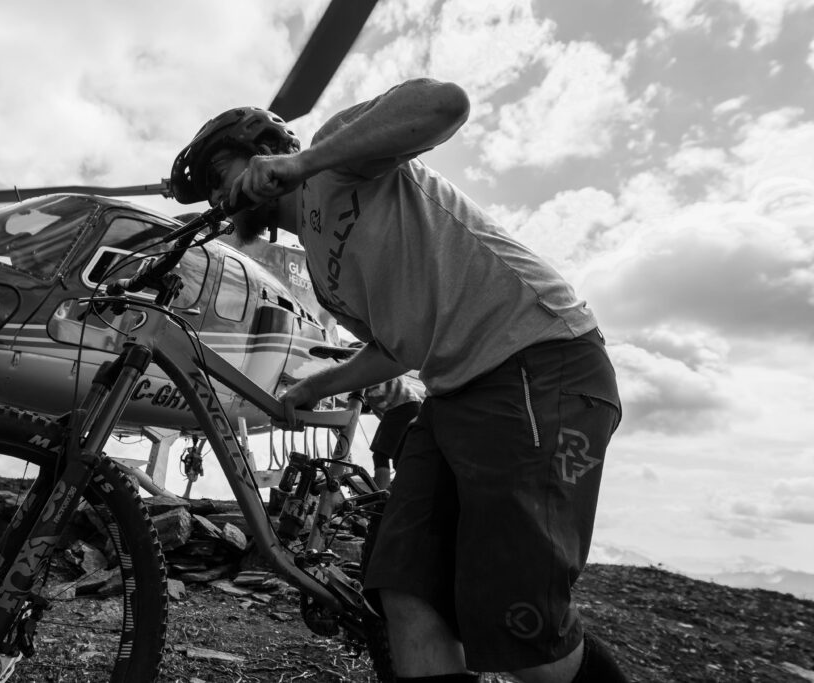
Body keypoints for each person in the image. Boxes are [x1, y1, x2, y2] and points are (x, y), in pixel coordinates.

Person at [170, 78, 627, 683]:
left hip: (539, 361)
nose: (222, 195)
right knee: (404, 589)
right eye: (213, 192)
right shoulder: (322, 274)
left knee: (524, 627)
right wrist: (317, 386)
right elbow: (398, 347)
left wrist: (303, 161)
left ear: (264, 148)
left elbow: (446, 105)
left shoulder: (340, 153)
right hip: (454, 391)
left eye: (222, 174)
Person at [349, 343, 425, 489]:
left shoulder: (369, 368)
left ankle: (381, 498)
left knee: (380, 455)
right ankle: (397, 494)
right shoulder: (375, 373)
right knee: (400, 460)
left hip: (401, 407)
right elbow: (364, 403)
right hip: (412, 407)